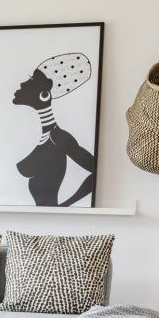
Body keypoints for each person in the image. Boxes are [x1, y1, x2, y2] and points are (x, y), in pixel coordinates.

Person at [12, 53, 95, 206]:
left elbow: (95, 171)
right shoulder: (44, 135)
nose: (23, 84)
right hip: (37, 222)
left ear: (43, 95)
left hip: (49, 222)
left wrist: (64, 206)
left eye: (31, 80)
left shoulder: (58, 137)